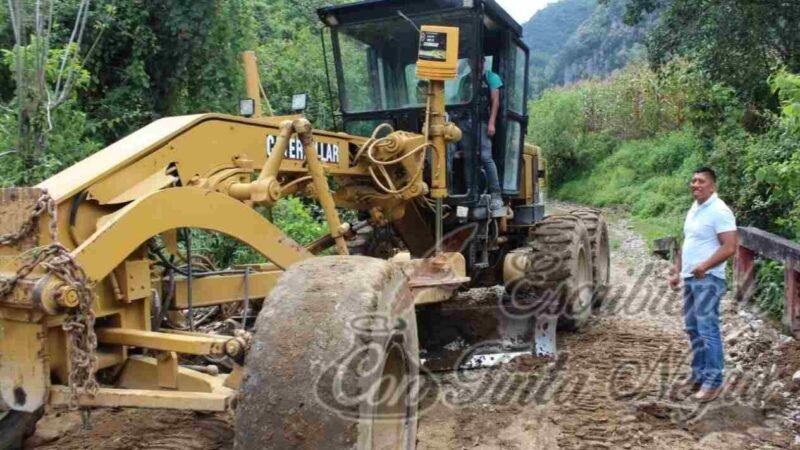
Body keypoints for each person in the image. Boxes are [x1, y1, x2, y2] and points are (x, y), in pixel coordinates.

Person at [669, 167, 738, 402]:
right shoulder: (695, 208)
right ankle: (698, 375)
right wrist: (677, 270)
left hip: (708, 279)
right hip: (691, 278)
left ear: (713, 186)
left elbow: (730, 246)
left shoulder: (719, 211)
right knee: (693, 328)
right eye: (693, 181)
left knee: (708, 330)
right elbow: (688, 241)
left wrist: (704, 266)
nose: (695, 185)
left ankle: (713, 383)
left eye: (701, 181)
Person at [477, 57, 504, 216]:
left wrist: (491, 123)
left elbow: (495, 101)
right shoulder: (466, 80)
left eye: (479, 61)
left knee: (486, 156)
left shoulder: (491, 78)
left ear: (482, 62)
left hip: (483, 122)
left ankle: (496, 194)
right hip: (468, 123)